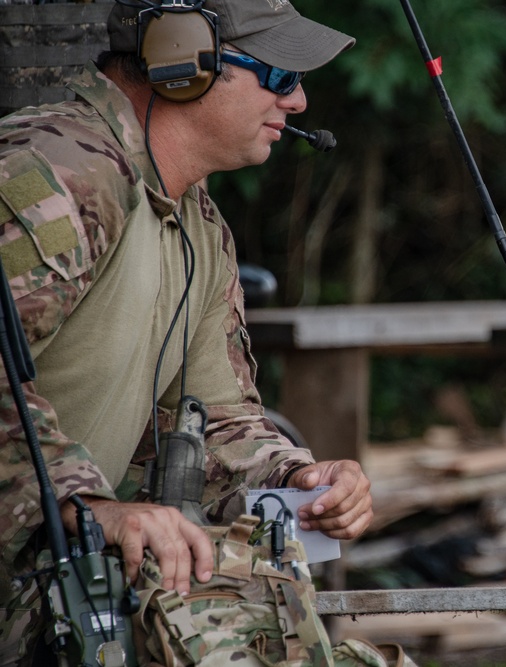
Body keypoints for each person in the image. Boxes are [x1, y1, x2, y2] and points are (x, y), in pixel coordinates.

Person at [0, 0, 373, 662]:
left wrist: (300, 481)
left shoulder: (198, 222)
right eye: (279, 76)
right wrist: (87, 502)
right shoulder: (57, 177)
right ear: (183, 63)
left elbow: (218, 423)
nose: (299, 102)